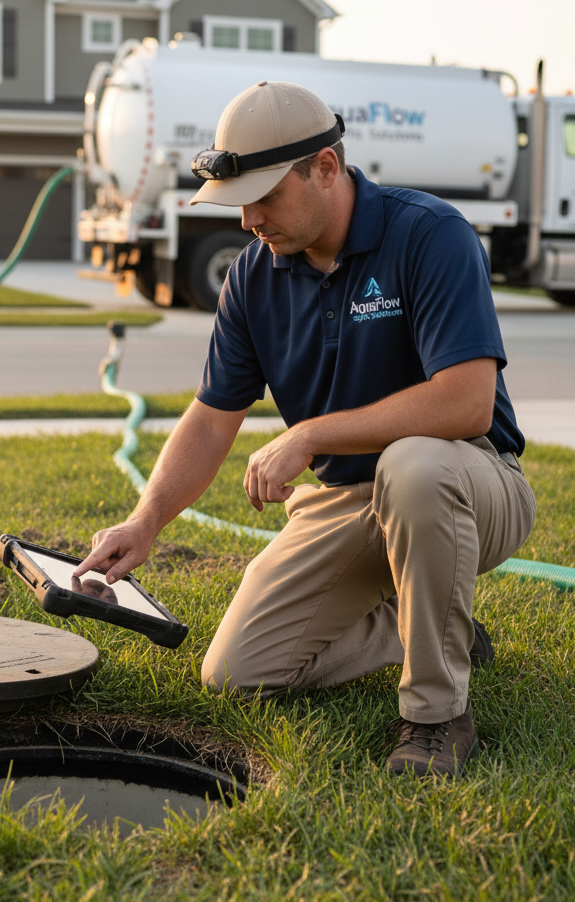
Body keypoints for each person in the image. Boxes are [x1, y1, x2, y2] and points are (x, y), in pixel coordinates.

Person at [74, 80, 536, 776]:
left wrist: (310, 434)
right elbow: (212, 418)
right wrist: (145, 522)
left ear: (324, 167)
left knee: (412, 466)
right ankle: (434, 625)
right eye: (238, 201)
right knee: (235, 674)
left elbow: (465, 403)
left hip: (467, 480)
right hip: (347, 500)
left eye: (264, 196)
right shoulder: (253, 277)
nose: (248, 220)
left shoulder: (429, 234)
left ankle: (435, 717)